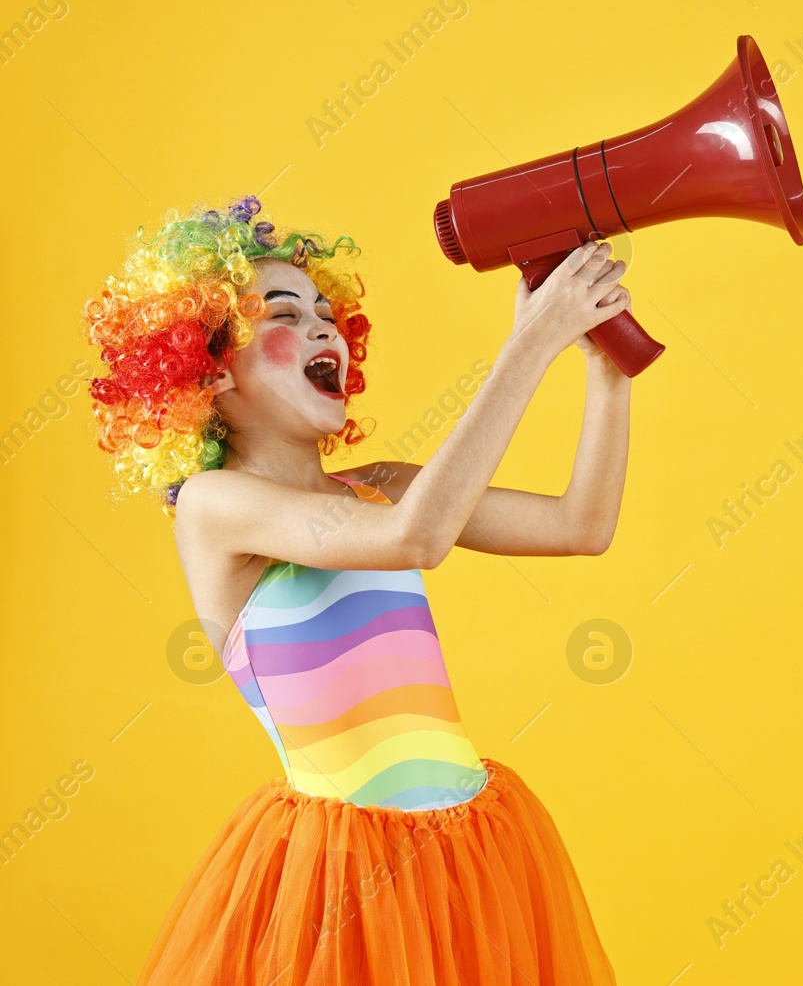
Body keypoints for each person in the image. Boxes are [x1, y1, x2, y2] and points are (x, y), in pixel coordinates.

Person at [85, 196, 629, 984]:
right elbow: (418, 538)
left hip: (472, 859)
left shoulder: (384, 488)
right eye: (282, 312)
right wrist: (531, 340)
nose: (322, 328)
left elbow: (582, 524)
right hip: (339, 885)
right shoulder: (216, 507)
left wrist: (604, 370)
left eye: (326, 313)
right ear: (209, 367)